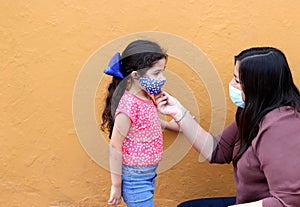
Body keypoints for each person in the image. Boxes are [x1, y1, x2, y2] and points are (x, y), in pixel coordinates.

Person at [155, 47, 300, 207]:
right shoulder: (254, 111)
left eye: (237, 81)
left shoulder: (283, 127)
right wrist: (179, 112)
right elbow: (217, 150)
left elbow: (289, 202)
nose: (231, 85)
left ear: (259, 86)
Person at [101, 39, 179, 207]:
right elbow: (115, 146)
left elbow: (149, 123)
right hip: (135, 179)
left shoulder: (146, 97)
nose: (162, 78)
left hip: (148, 175)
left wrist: (176, 124)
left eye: (162, 72)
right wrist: (116, 185)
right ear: (136, 75)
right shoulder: (128, 106)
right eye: (156, 73)